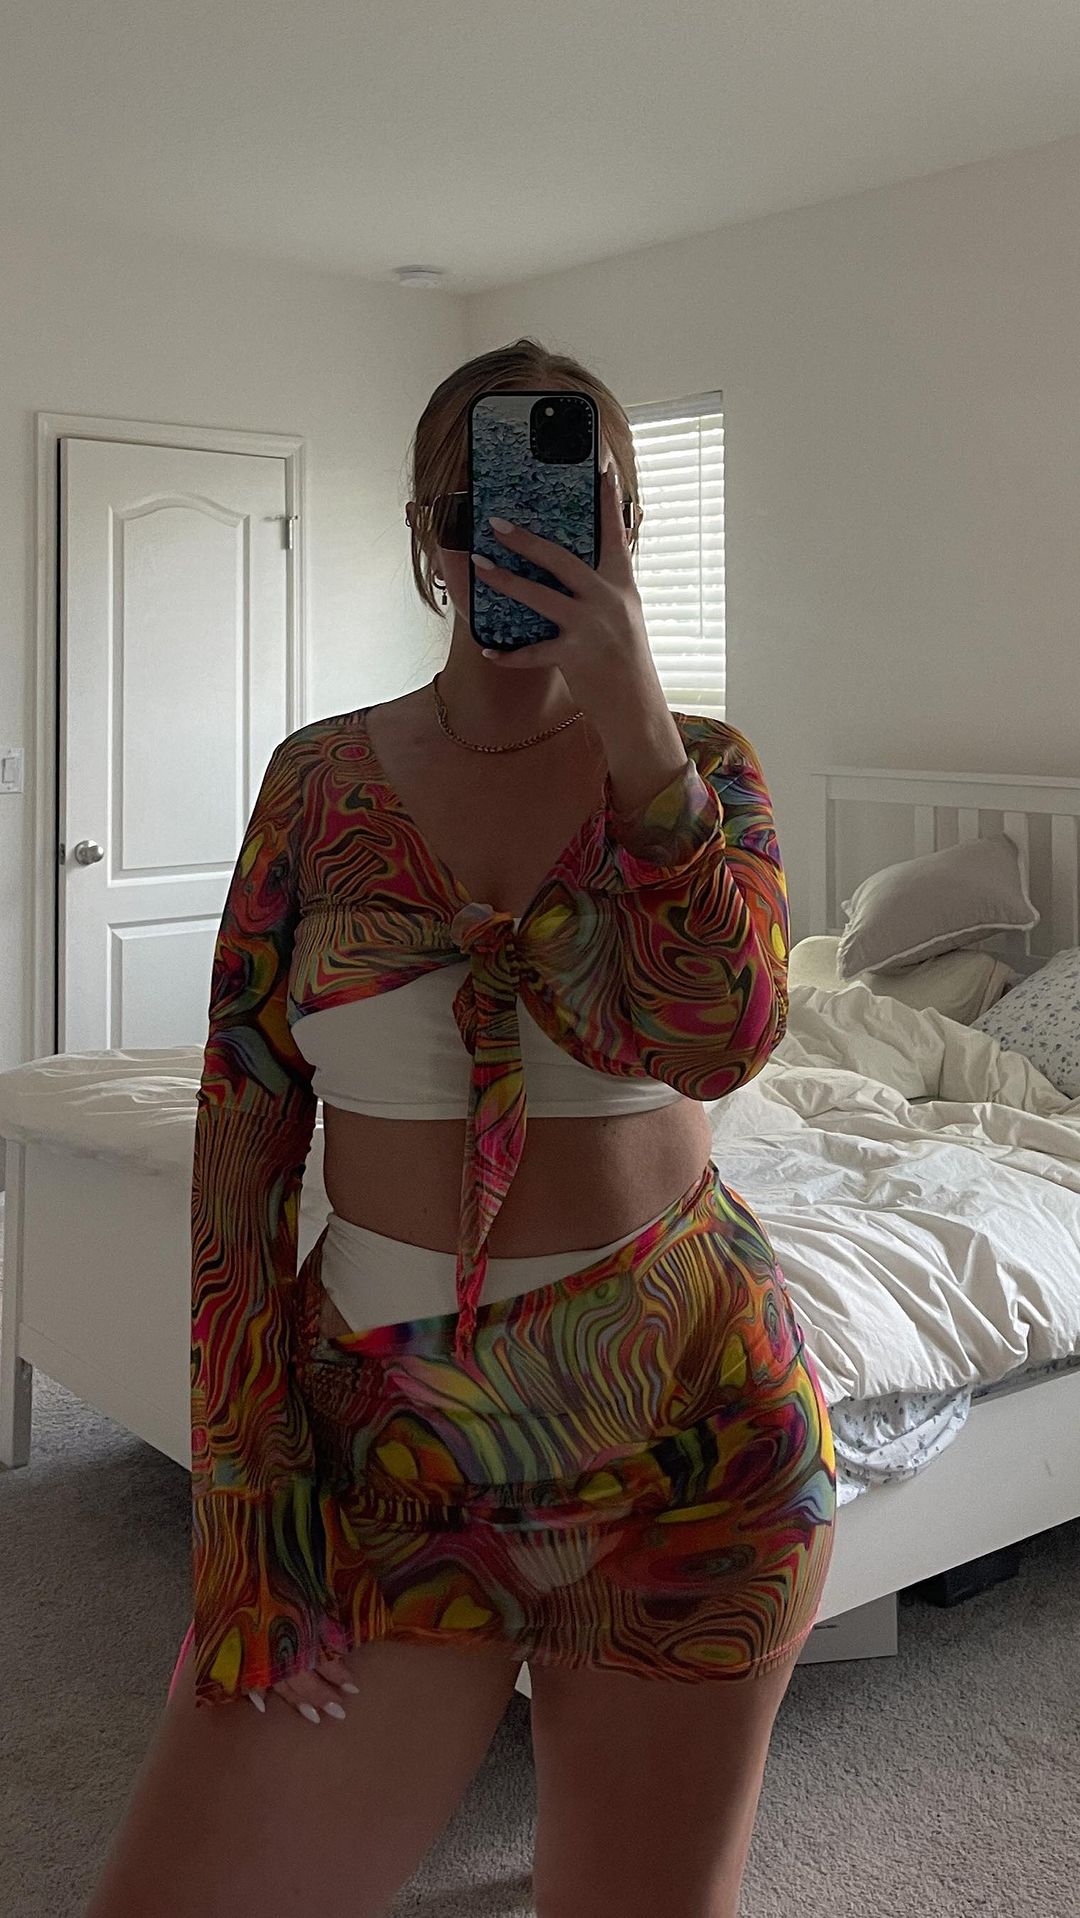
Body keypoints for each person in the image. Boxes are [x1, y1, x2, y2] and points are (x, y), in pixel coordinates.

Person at [85, 338, 836, 1918]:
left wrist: (635, 723)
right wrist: (245, 1494)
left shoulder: (704, 769)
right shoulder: (314, 788)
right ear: (430, 538)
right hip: (385, 1462)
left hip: (696, 1452)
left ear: (625, 525)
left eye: (575, 505)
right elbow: (238, 1154)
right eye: (469, 509)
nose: (511, 542)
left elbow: (727, 1035)